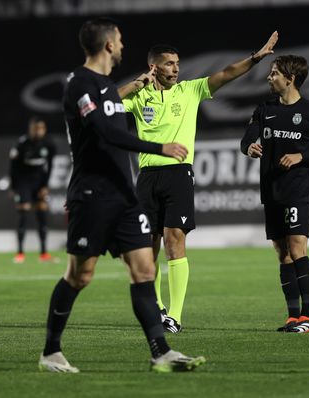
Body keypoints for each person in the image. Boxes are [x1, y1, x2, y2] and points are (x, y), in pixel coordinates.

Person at [38, 17, 205, 374]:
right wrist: (159, 146)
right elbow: (103, 132)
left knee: (144, 269)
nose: (124, 46)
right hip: (92, 192)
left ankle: (161, 350)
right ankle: (51, 351)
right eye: (121, 40)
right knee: (79, 275)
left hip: (124, 195)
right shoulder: (79, 83)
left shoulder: (106, 87)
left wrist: (135, 84)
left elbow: (114, 107)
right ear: (109, 45)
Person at [119, 32, 279, 333]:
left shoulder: (190, 91)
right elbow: (108, 104)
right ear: (155, 67)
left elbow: (227, 74)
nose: (176, 69)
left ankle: (175, 316)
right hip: (147, 176)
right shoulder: (140, 96)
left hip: (178, 174)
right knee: (146, 247)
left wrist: (256, 58)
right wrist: (136, 84)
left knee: (175, 240)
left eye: (177, 63)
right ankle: (156, 308)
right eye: (169, 64)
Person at [241, 55, 309, 333]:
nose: (269, 77)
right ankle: (293, 317)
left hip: (296, 191)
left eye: (274, 73)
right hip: (270, 190)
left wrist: (302, 155)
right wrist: (249, 147)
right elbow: (246, 140)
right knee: (282, 253)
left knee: (297, 248)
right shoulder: (264, 109)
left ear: (290, 78)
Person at [9, 116, 56, 263]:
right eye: (36, 128)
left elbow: (50, 166)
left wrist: (45, 185)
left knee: (42, 213)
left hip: (39, 182)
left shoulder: (48, 143)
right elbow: (13, 167)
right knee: (23, 212)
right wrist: (13, 187)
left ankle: (43, 253)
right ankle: (20, 253)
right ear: (30, 129)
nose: (39, 131)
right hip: (24, 182)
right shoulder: (22, 144)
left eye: (41, 128)